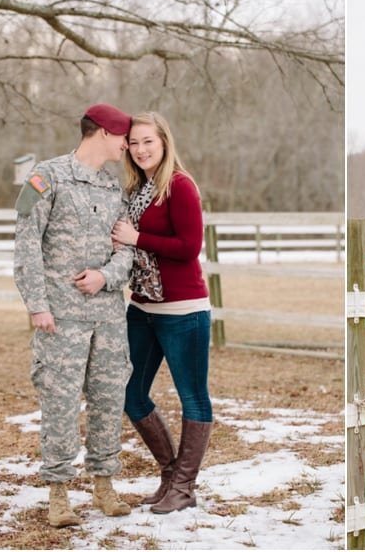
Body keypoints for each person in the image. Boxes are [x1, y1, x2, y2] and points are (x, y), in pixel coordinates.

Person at [13, 103, 135, 527]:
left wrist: (106, 275)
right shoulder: (48, 177)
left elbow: (127, 251)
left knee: (107, 401)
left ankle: (104, 485)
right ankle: (59, 494)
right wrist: (38, 306)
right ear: (102, 133)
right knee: (60, 403)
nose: (128, 145)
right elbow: (27, 244)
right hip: (60, 318)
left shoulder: (113, 187)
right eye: (123, 137)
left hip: (108, 318)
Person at [111, 111, 213, 514]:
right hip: (142, 305)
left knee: (193, 397)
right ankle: (170, 474)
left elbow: (189, 247)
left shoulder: (180, 186)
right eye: (133, 143)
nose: (140, 150)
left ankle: (184, 487)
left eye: (147, 142)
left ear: (164, 142)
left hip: (183, 308)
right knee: (130, 393)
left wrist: (138, 238)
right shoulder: (139, 188)